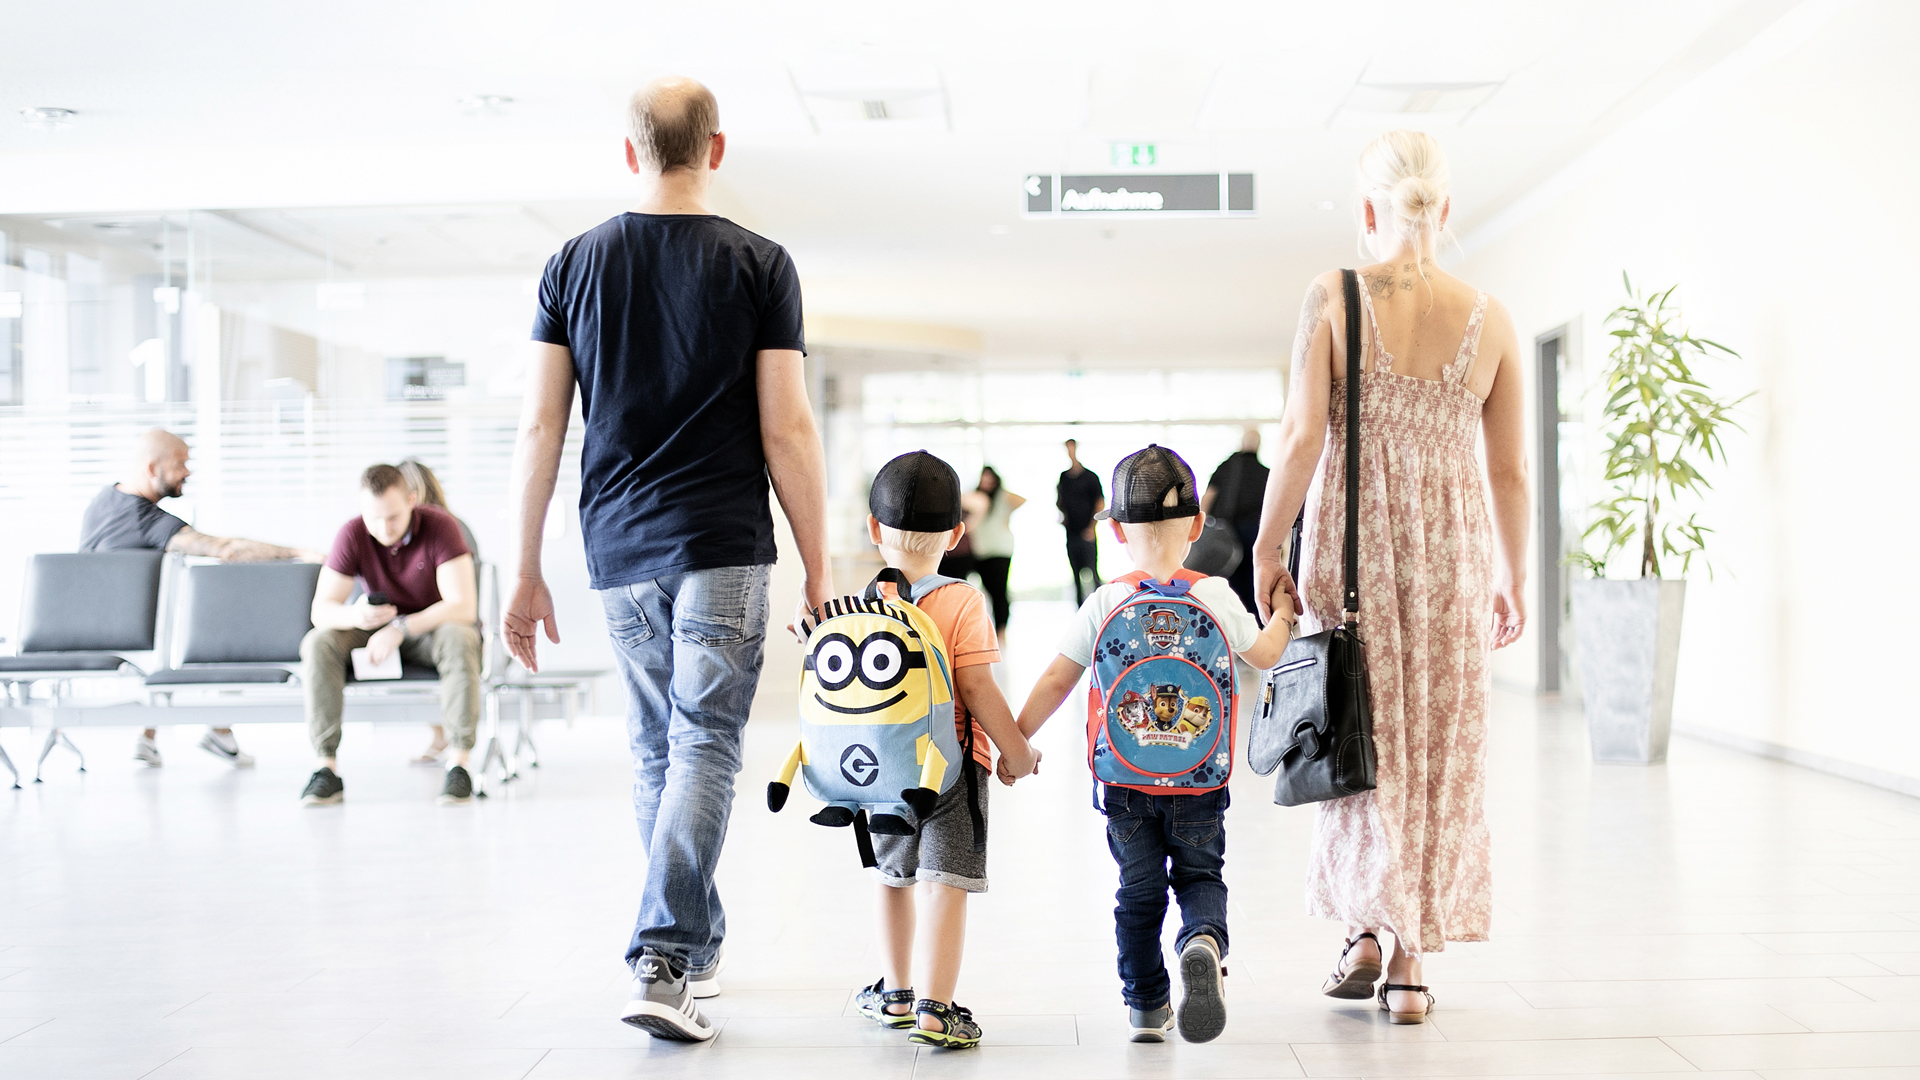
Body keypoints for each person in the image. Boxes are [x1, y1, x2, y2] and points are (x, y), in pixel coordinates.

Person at [501, 76, 832, 1043]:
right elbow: (789, 427)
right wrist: (818, 565)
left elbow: (539, 426)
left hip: (617, 544)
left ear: (630, 153)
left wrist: (523, 565)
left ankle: (696, 941)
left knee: (660, 745)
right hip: (723, 539)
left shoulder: (572, 263)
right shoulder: (760, 263)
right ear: (716, 150)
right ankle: (664, 953)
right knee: (703, 744)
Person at [1251, 131, 1529, 1025]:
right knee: (1438, 740)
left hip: (1353, 544)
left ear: (1367, 212)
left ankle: (1366, 925)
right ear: (1444, 211)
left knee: (1361, 729)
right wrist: (1512, 574)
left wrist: (1266, 547)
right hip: (1452, 549)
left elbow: (1297, 441)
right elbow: (1512, 473)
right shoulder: (1491, 318)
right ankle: (1406, 964)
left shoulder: (1333, 296)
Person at [1012, 445, 1295, 1044]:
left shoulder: (1106, 602)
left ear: (1112, 530)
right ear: (1197, 525)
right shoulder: (1214, 595)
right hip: (1199, 778)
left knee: (1137, 893)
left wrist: (1015, 740)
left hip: (1124, 782)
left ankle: (1146, 1006)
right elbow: (1266, 656)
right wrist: (1284, 618)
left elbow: (1058, 679)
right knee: (1199, 876)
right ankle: (1201, 940)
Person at [850, 451, 1038, 1050]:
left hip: (880, 770)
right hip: (953, 767)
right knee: (943, 881)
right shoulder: (963, 601)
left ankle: (896, 993)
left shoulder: (864, 599)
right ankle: (936, 1008)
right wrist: (1017, 753)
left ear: (873, 529)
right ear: (958, 534)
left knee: (892, 875)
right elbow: (979, 689)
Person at [78, 427, 317, 769]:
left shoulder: (105, 499)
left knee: (196, 615)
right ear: (150, 469)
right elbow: (227, 550)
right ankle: (215, 732)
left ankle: (188, 735)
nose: (187, 472)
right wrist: (298, 552)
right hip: (126, 631)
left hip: (98, 618)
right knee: (218, 628)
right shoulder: (146, 521)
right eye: (180, 463)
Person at [299, 464, 482, 808]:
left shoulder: (442, 526)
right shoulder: (352, 533)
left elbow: (463, 606)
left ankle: (459, 764)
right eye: (374, 518)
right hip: (374, 630)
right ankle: (326, 768)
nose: (384, 528)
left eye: (393, 517)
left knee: (460, 636)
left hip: (430, 632)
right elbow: (321, 610)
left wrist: (401, 627)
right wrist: (356, 615)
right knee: (318, 642)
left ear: (412, 500)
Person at [395, 458, 480, 766]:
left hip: (445, 623)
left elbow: (459, 603)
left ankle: (454, 745)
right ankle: (441, 736)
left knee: (452, 639)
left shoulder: (450, 530)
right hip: (414, 624)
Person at [1202, 428, 1270, 617]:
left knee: (1227, 576)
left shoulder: (1226, 467)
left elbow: (1209, 496)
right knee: (1253, 579)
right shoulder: (1265, 473)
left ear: (1242, 443)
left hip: (1226, 531)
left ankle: (1227, 620)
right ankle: (1254, 623)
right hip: (1255, 533)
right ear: (1258, 446)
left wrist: (1199, 524)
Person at [963, 466, 1022, 638]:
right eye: (984, 478)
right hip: (980, 551)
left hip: (1000, 550)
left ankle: (1001, 631)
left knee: (999, 592)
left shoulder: (1002, 498)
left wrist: (1007, 515)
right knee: (986, 591)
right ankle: (991, 629)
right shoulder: (976, 499)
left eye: (991, 479)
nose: (987, 482)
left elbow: (1021, 500)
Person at [1056, 439, 1105, 605]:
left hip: (1087, 532)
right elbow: (1060, 503)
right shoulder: (1064, 478)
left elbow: (1100, 503)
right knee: (1075, 575)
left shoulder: (1090, 477)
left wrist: (1092, 527)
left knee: (1093, 572)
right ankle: (1080, 610)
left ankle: (1099, 607)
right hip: (1071, 532)